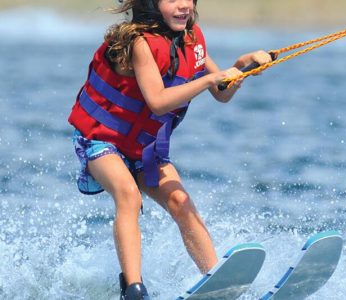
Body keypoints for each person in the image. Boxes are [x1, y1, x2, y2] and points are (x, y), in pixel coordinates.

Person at [68, 0, 273, 299]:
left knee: (180, 200)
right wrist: (210, 79)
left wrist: (243, 68)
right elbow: (159, 101)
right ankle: (134, 289)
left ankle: (217, 282)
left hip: (144, 146)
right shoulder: (140, 43)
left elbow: (221, 92)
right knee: (128, 195)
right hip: (101, 139)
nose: (183, 5)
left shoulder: (191, 40)